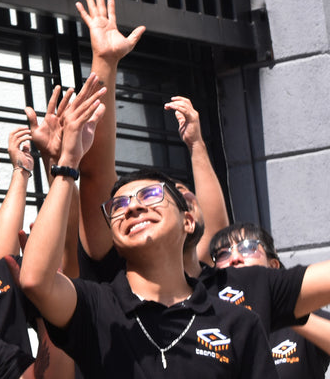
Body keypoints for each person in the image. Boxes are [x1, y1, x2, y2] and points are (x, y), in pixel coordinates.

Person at [19, 74, 276, 377]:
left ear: (188, 221)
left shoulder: (237, 324)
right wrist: (67, 164)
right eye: (118, 206)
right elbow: (36, 281)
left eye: (151, 195)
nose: (133, 207)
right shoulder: (96, 307)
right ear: (114, 237)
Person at [209, 223, 330, 379]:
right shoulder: (207, 324)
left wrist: (282, 307)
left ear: (273, 266)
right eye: (223, 254)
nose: (235, 258)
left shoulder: (305, 320)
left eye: (248, 247)